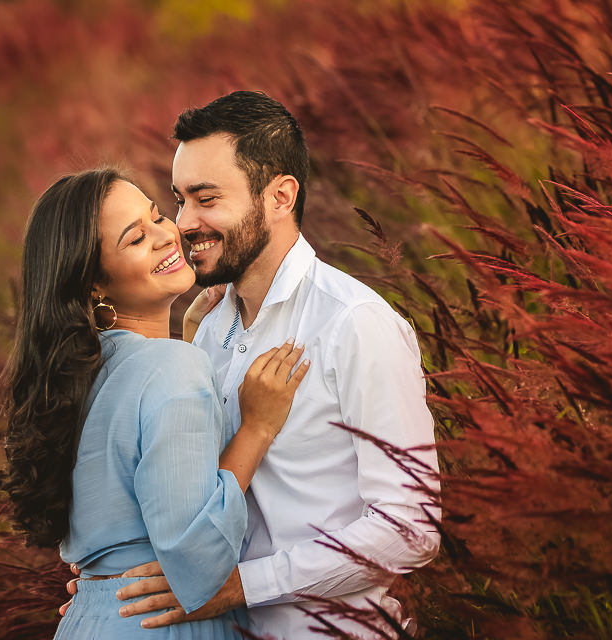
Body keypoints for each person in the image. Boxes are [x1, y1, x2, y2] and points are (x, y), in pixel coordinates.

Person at [65, 91, 442, 639]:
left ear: (280, 196)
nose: (183, 223)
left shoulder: (354, 324)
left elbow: (411, 528)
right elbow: (188, 491)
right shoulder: (208, 327)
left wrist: (242, 585)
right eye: (179, 199)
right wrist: (107, 583)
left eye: (206, 198)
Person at [0, 168, 310, 639]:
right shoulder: (169, 369)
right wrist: (255, 430)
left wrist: (188, 346)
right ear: (93, 285)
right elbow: (199, 566)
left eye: (158, 216)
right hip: (163, 623)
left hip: (95, 617)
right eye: (136, 238)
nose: (167, 235)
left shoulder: (80, 377)